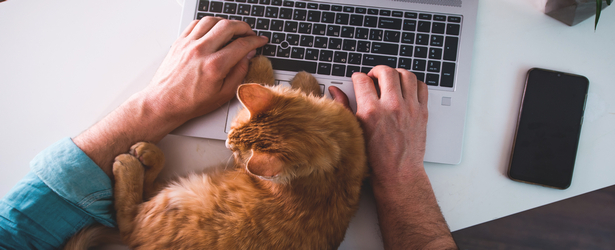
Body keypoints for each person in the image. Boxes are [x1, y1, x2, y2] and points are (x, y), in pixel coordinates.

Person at [0, 17, 457, 250]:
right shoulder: (308, 158)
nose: (233, 150)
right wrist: (400, 176)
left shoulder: (281, 159)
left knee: (189, 207)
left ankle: (132, 216)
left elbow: (16, 231)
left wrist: (156, 105)